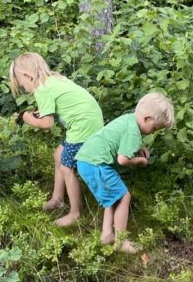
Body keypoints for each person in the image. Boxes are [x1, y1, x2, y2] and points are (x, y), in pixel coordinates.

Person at [9, 53, 103, 227]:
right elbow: (59, 104)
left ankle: (75, 213)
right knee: (59, 155)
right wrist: (42, 112)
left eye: (22, 85)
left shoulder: (42, 89)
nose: (24, 88)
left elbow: (47, 123)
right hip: (90, 121)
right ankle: (58, 198)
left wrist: (29, 119)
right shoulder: (53, 80)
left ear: (28, 76)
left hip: (83, 127)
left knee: (67, 167)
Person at [75, 92, 175, 253]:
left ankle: (107, 234)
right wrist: (139, 161)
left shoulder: (129, 120)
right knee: (124, 196)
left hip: (87, 160)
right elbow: (123, 159)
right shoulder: (133, 132)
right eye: (155, 128)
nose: (153, 132)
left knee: (113, 197)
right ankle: (121, 241)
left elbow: (121, 138)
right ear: (147, 119)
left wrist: (138, 147)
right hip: (95, 164)